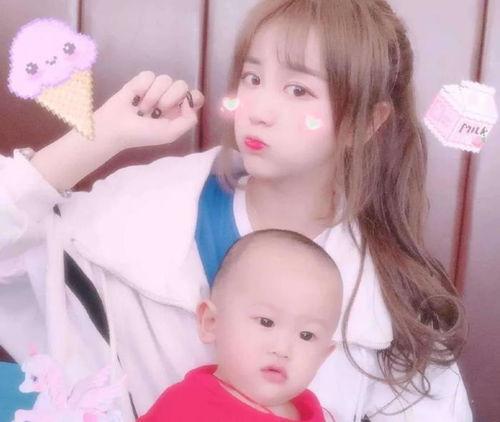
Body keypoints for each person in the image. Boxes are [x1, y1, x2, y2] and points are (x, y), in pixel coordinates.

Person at [0, 0, 471, 421]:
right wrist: (99, 137)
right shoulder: (134, 217)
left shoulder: (396, 307)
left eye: (298, 90)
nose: (258, 109)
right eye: (253, 78)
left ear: (366, 122)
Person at [139, 229, 343, 421]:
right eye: (266, 322)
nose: (282, 349)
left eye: (306, 335)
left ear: (323, 356)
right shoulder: (186, 405)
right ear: (211, 322)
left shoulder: (313, 412)